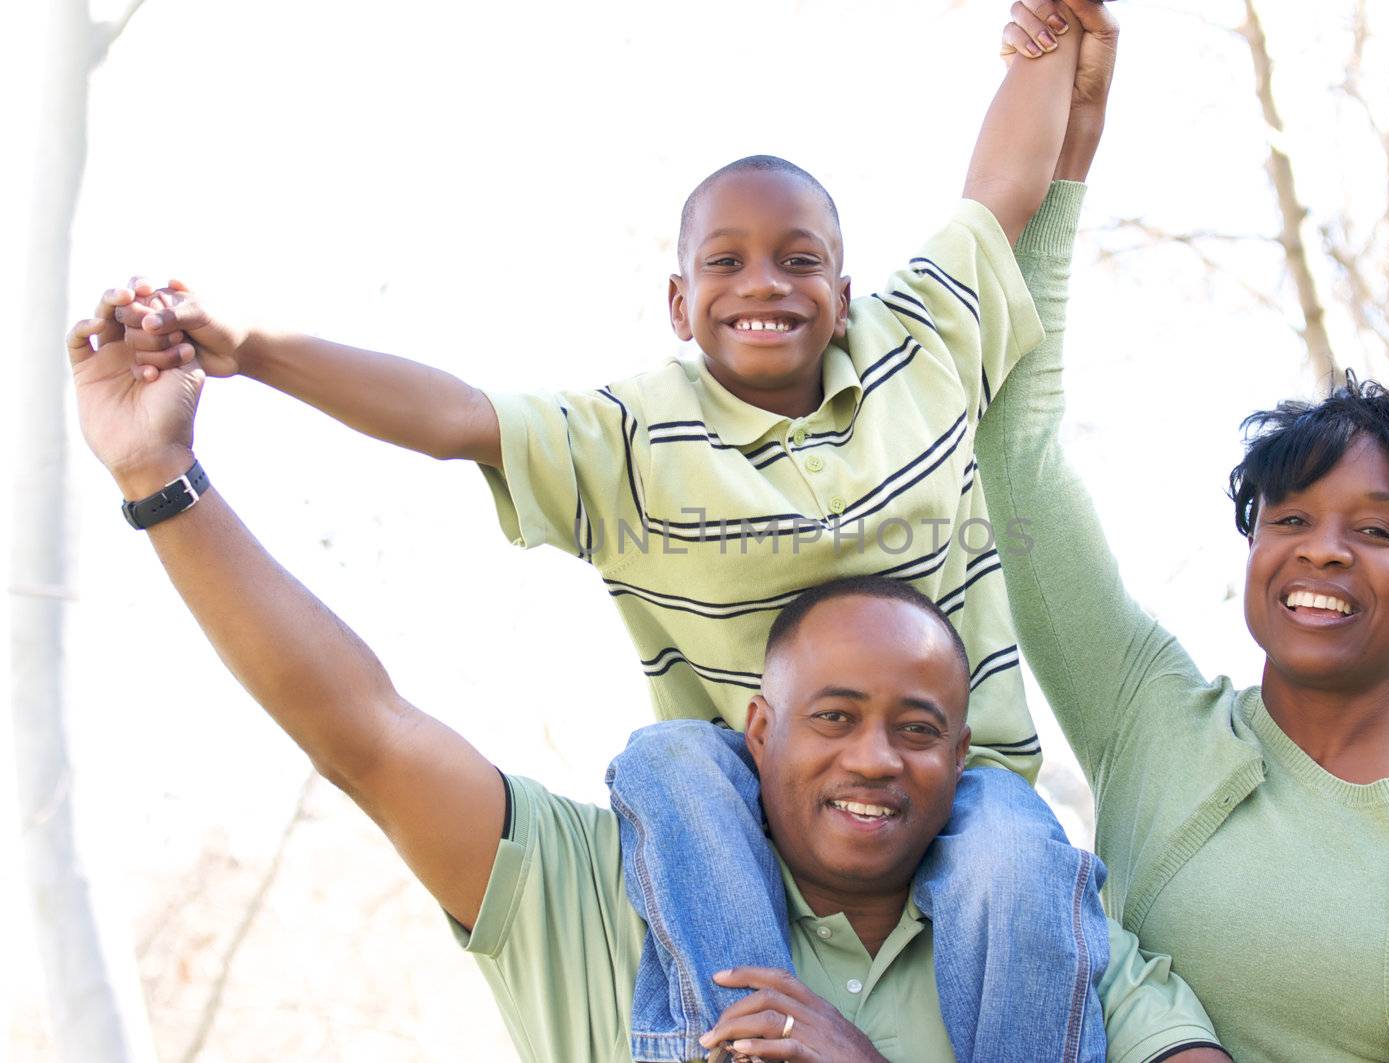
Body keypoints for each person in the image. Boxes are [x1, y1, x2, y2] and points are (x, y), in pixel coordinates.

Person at [100, 2, 1140, 1059]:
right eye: (726, 265)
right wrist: (251, 351)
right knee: (666, 763)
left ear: (844, 287)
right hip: (741, 798)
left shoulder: (912, 346)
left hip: (968, 789)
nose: (765, 284)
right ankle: (735, 1036)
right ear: (681, 305)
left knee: (1020, 861)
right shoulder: (630, 440)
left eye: (798, 259)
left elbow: (1000, 195)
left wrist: (1050, 39)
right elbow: (454, 418)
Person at [64, 292, 1230, 1062]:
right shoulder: (605, 893)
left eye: (919, 727)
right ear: (755, 729)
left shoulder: (1050, 934)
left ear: (961, 750)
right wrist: (162, 478)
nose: (875, 754)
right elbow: (362, 731)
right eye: (834, 716)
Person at [972, 166, 1389, 1063]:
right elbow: (1016, 449)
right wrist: (1061, 159)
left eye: (1376, 528)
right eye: (1291, 519)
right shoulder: (1148, 719)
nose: (1322, 549)